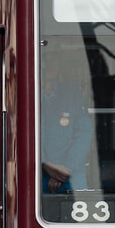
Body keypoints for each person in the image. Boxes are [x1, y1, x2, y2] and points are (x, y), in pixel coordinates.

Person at [40, 48, 94, 194]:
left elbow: (84, 135)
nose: (50, 66)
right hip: (36, 174)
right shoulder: (28, 94)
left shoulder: (73, 95)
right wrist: (43, 163)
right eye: (46, 61)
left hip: (71, 176)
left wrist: (63, 171)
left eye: (54, 61)